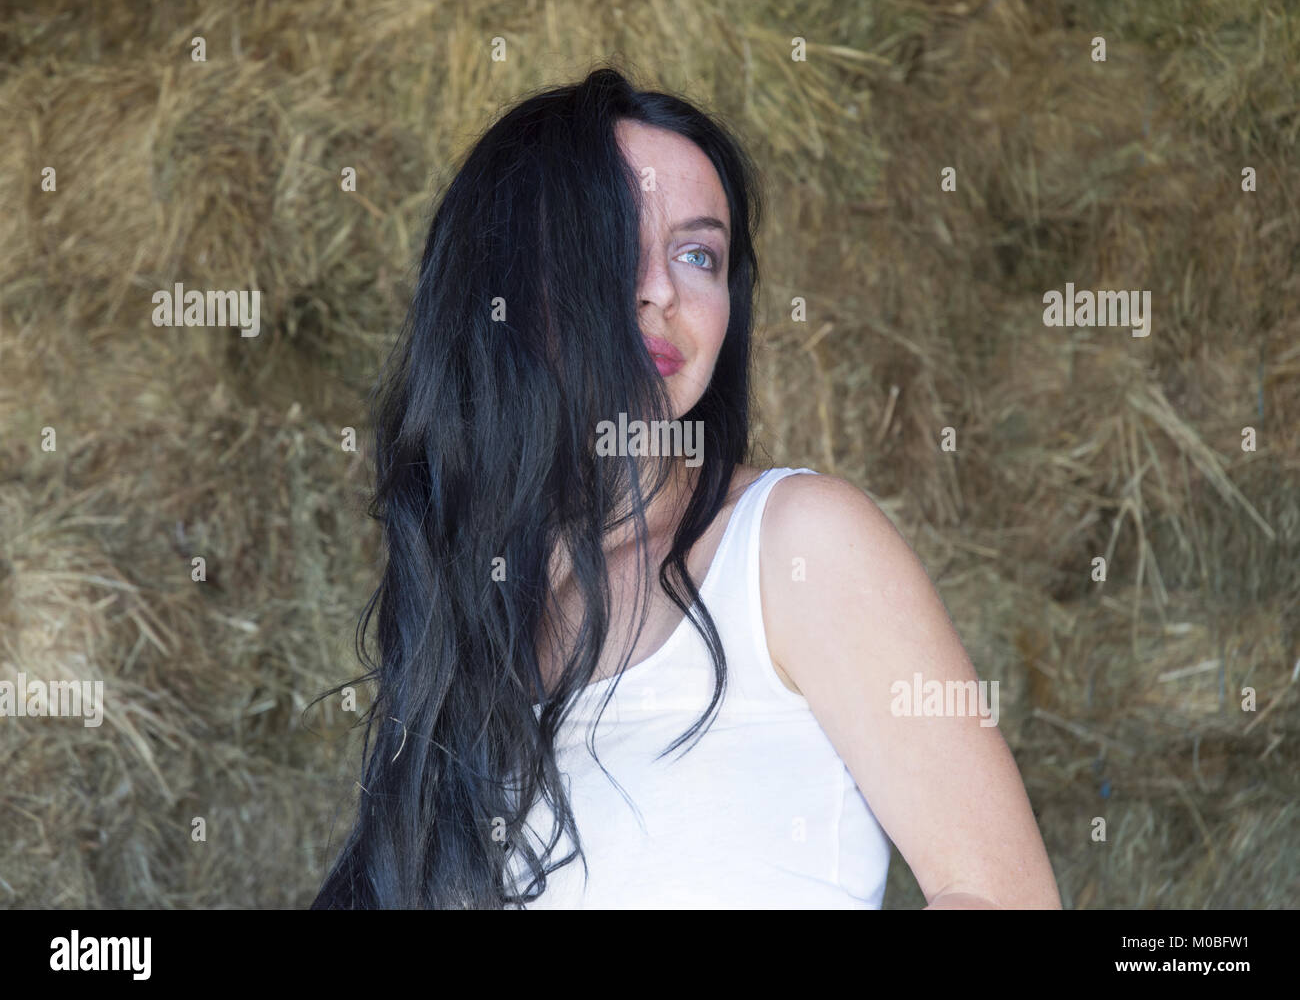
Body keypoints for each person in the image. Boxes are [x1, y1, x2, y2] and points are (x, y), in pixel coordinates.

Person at [311, 65, 1061, 910]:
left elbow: (1002, 896)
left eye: (698, 254)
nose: (662, 289)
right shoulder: (468, 612)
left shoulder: (796, 547)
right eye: (613, 241)